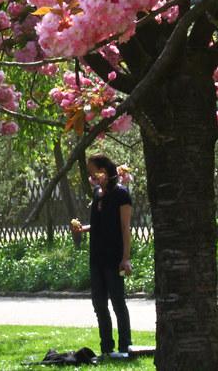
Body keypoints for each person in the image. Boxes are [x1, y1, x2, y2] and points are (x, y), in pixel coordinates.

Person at [70, 154, 133, 360]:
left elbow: (125, 228)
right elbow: (99, 224)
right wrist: (83, 229)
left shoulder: (121, 194)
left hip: (114, 257)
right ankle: (107, 348)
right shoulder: (98, 193)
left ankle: (125, 347)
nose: (90, 176)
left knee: (118, 303)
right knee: (99, 305)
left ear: (104, 171)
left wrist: (126, 258)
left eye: (92, 172)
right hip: (96, 257)